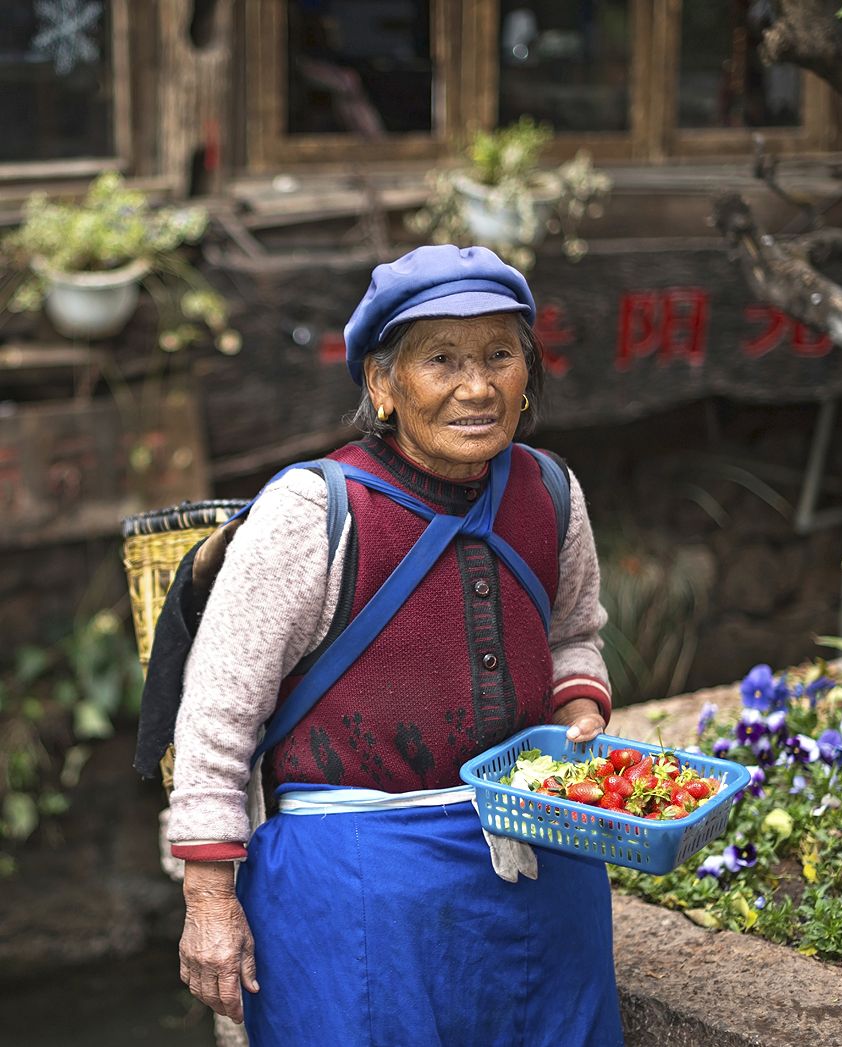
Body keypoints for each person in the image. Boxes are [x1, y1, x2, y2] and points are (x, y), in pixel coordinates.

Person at [168, 244, 625, 1046]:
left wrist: (579, 700)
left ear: (528, 373)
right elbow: (215, 718)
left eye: (500, 355)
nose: (477, 386)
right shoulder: (313, 515)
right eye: (440, 359)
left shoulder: (551, 491)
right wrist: (209, 899)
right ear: (381, 384)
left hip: (541, 863)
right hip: (358, 888)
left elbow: (574, 632)